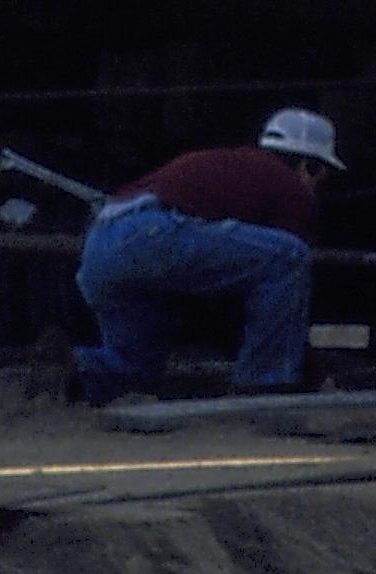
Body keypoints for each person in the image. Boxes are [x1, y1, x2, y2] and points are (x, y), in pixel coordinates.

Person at [67, 108, 343, 403]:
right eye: (321, 176)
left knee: (135, 369)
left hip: (101, 242)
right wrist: (311, 370)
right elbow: (281, 292)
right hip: (154, 235)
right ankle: (265, 388)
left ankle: (78, 373)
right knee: (290, 256)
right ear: (309, 167)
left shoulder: (233, 170)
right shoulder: (289, 187)